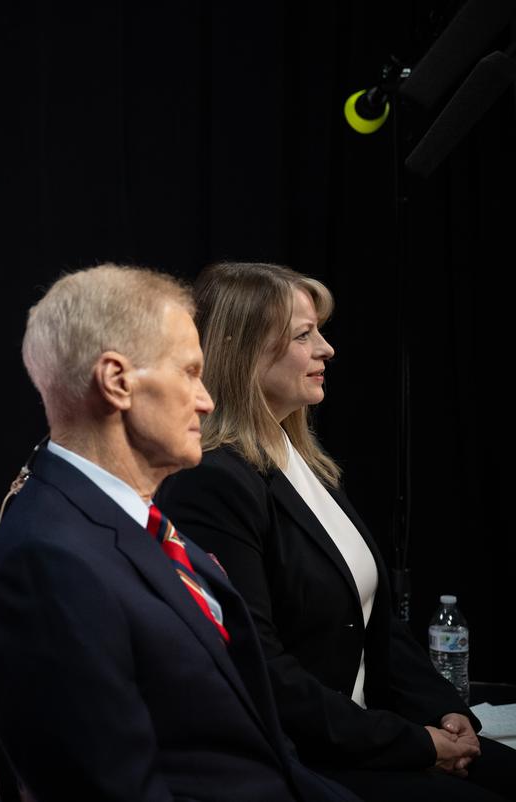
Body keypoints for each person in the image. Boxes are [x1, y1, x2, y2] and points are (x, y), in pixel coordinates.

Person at [0, 264, 358, 801]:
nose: (206, 399)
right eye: (189, 372)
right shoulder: (47, 561)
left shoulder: (139, 521)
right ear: (117, 382)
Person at [155, 261, 516, 801]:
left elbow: (377, 624)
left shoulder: (303, 461)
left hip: (375, 736)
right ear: (243, 349)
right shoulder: (210, 481)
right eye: (304, 335)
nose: (326, 349)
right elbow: (261, 669)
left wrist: (445, 710)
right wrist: (416, 743)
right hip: (307, 759)